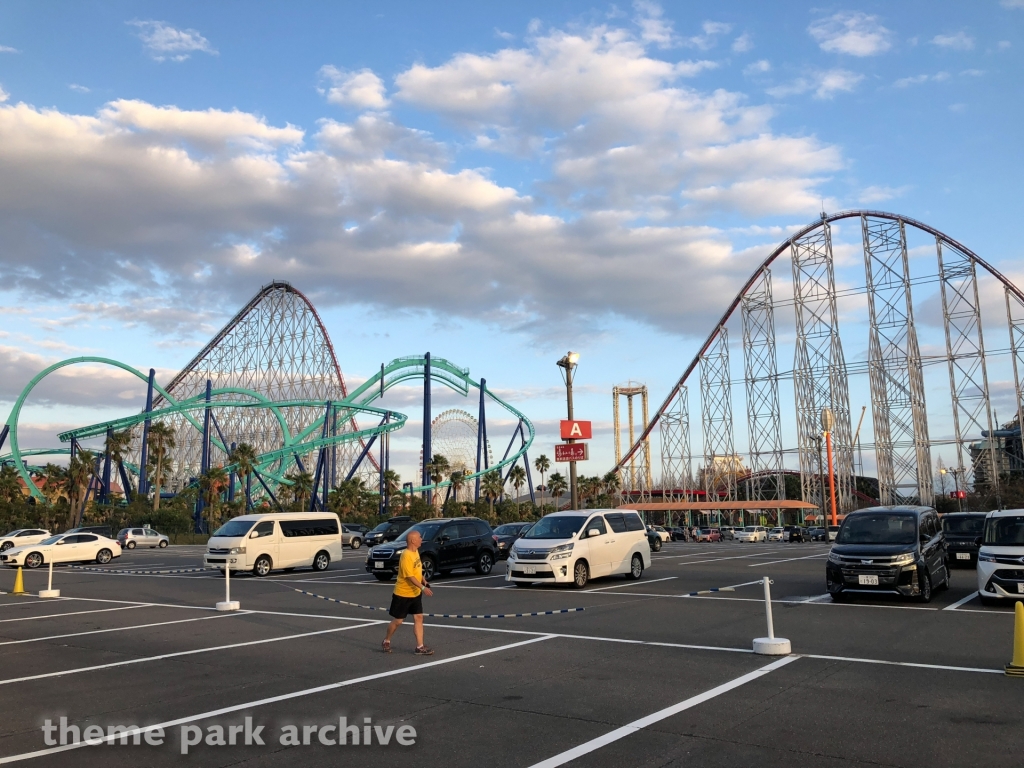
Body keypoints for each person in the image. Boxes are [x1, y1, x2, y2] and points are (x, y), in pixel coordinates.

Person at [382, 529, 434, 655]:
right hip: (403, 594)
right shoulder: (406, 555)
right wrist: (423, 588)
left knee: (418, 617)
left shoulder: (415, 552)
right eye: (419, 537)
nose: (421, 539)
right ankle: (386, 640)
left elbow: (417, 570)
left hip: (415, 593)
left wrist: (424, 580)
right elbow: (410, 576)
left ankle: (420, 647)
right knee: (398, 621)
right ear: (412, 540)